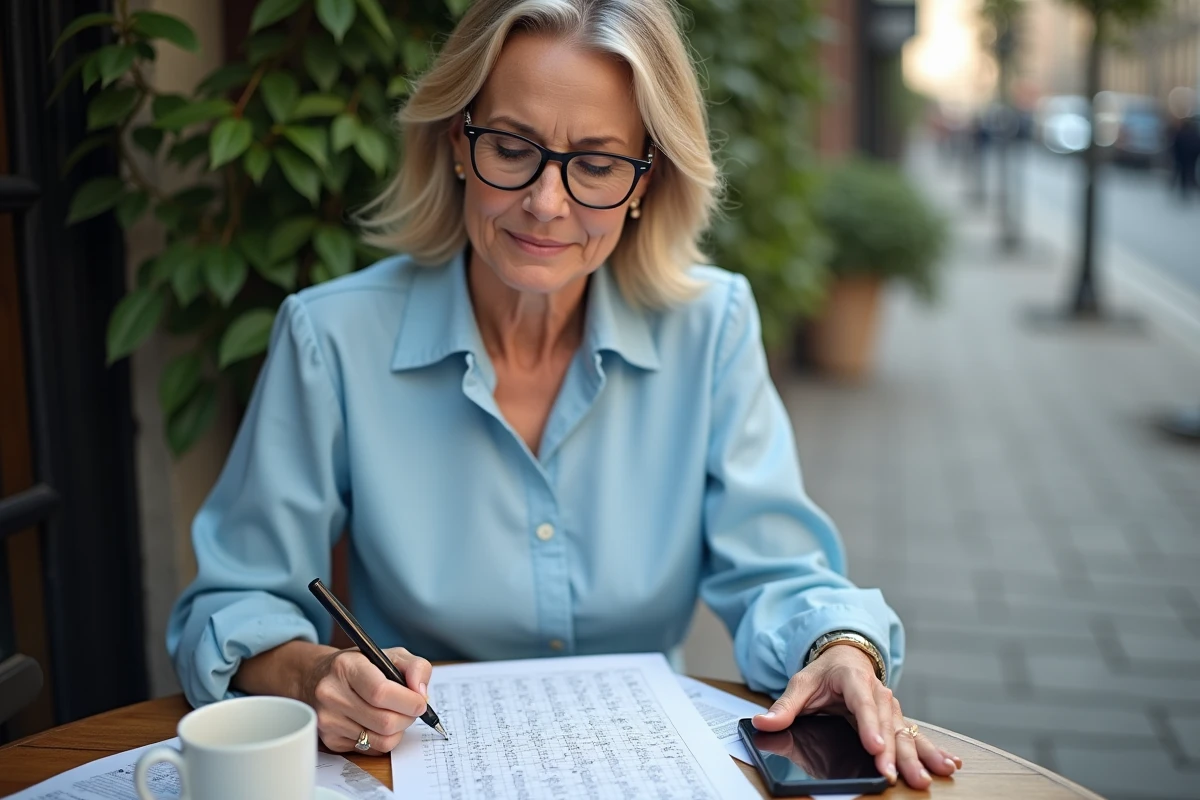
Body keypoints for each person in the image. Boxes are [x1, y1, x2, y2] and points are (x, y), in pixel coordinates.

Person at [167, 0, 960, 789]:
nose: (547, 203)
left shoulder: (710, 328)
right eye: (511, 147)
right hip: (415, 772)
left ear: (645, 179)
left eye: (597, 163)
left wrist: (841, 650)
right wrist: (314, 673)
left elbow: (779, 570)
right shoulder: (331, 338)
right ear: (457, 143)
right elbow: (236, 599)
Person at [1170, 114, 1200, 200]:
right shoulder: (1194, 134)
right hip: (1190, 159)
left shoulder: (1181, 133)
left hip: (1182, 158)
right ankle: (1188, 191)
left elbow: (1176, 145)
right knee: (1191, 175)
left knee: (1183, 175)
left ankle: (1184, 191)